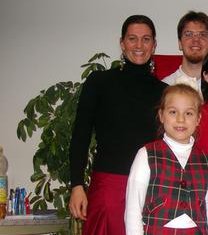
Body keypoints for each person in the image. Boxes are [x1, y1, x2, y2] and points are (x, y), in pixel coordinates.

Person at [68, 15, 167, 235]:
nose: (139, 45)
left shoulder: (164, 91)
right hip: (108, 188)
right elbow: (80, 135)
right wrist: (76, 185)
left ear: (154, 44)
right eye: (132, 39)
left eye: (146, 39)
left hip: (151, 191)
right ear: (122, 43)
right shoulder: (99, 82)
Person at [125, 84, 208, 235]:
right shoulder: (146, 155)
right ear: (161, 115)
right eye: (173, 112)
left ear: (198, 119)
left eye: (188, 113)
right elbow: (133, 210)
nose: (180, 119)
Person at [162, 11, 208, 93]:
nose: (196, 40)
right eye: (189, 34)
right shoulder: (166, 86)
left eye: (202, 35)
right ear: (180, 43)